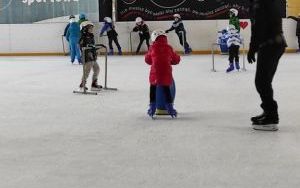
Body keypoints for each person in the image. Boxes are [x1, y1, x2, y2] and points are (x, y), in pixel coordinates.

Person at [247, 0, 287, 131]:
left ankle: (271, 116)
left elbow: (259, 25)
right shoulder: (256, 3)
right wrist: (253, 48)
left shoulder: (261, 3)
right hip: (273, 44)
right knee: (264, 81)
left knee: (262, 81)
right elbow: (256, 26)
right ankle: (268, 112)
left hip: (271, 44)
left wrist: (253, 48)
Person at [145, 29, 181, 118]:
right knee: (166, 89)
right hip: (166, 73)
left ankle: (152, 108)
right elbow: (176, 60)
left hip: (155, 73)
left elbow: (147, 60)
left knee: (152, 89)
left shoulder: (152, 48)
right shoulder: (169, 47)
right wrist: (170, 61)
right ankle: (170, 109)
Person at [78, 21, 102, 91]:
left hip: (92, 56)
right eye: (90, 28)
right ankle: (82, 85)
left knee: (97, 69)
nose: (91, 29)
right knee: (87, 71)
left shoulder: (91, 36)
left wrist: (96, 48)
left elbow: (92, 46)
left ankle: (94, 84)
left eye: (92, 28)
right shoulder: (83, 36)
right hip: (87, 56)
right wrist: (88, 47)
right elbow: (81, 45)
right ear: (85, 29)